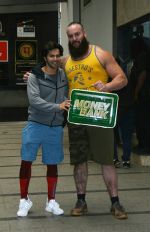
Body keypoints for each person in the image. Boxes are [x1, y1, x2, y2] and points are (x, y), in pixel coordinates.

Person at [24, 22, 128, 219]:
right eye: (70, 36)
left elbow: (122, 79)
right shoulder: (66, 60)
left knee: (107, 160)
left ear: (84, 33)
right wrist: (33, 75)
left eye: (77, 34)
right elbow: (48, 64)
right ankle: (81, 200)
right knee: (79, 161)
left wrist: (107, 86)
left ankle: (115, 202)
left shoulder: (100, 54)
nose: (74, 39)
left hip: (99, 115)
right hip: (77, 116)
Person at [17, 41, 70, 217]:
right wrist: (58, 107)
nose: (55, 59)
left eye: (57, 55)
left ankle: (51, 201)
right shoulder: (34, 76)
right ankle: (24, 200)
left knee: (52, 164)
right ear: (45, 58)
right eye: (51, 56)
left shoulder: (64, 75)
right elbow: (35, 101)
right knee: (26, 161)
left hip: (55, 127)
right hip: (35, 124)